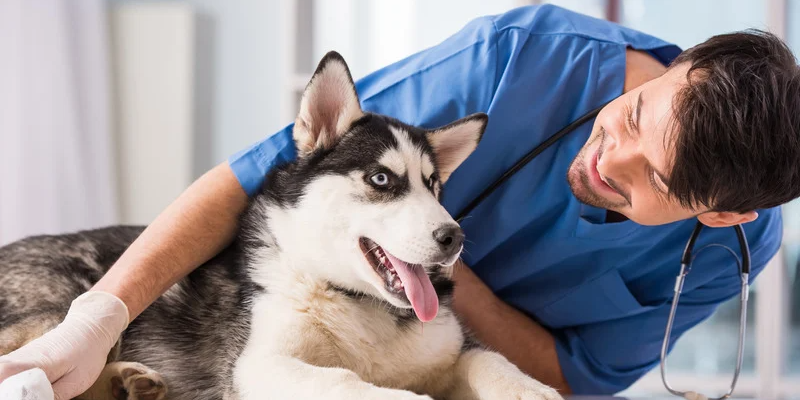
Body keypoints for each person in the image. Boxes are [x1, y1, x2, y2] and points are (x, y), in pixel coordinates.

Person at [2, 4, 799, 398]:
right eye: (631, 114)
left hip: (428, 333)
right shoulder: (523, 56)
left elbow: (571, 377)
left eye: (651, 179)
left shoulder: (733, 255)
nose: (604, 155)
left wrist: (437, 270)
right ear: (681, 63)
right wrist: (100, 314)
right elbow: (253, 175)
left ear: (722, 215)